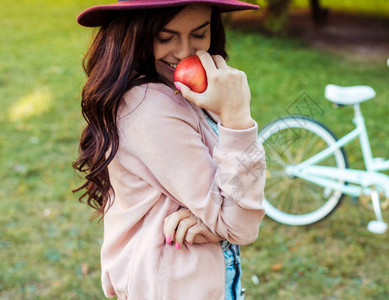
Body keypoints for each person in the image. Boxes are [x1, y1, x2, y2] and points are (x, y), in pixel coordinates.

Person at [73, 1, 266, 299]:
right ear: (134, 33)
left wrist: (213, 218)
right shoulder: (149, 108)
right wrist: (238, 120)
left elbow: (233, 190)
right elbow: (240, 222)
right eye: (165, 37)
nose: (185, 51)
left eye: (199, 34)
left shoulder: (190, 92)